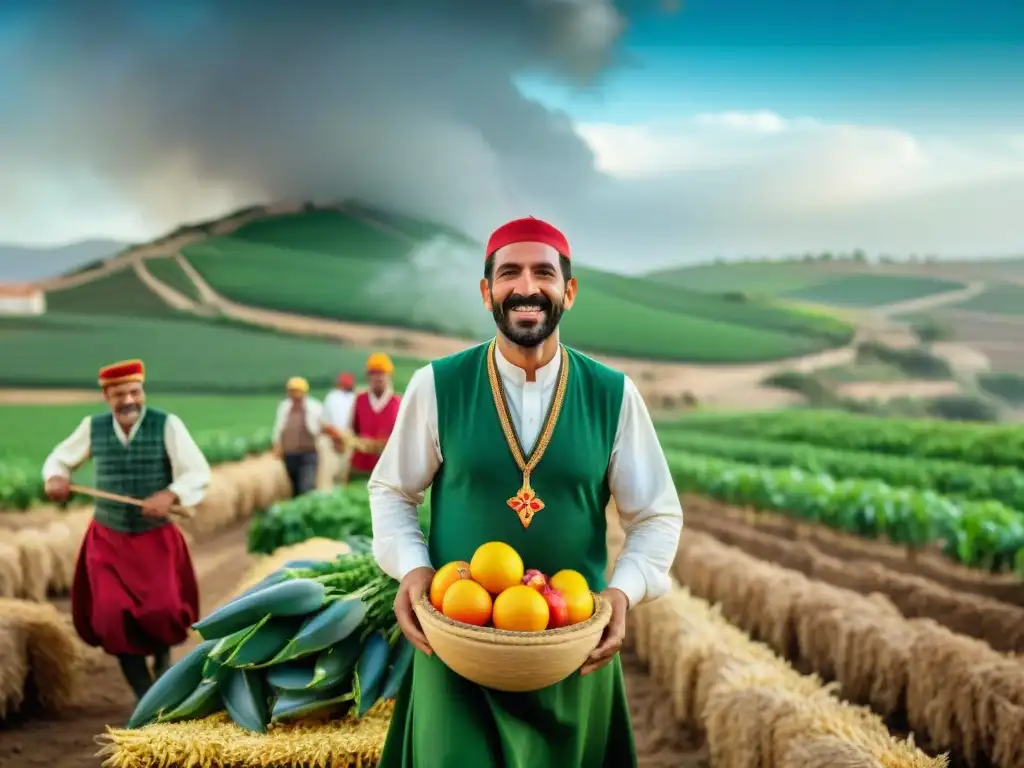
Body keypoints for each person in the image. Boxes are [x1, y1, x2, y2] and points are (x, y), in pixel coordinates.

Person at [369, 216, 684, 767]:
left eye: (544, 272)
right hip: (456, 644)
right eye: (509, 272)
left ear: (570, 290)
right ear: (487, 290)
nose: (527, 287)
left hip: (572, 649)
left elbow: (657, 515)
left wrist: (622, 594)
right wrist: (413, 570)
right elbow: (393, 490)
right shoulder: (438, 385)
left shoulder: (613, 394)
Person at [41, 359, 210, 702]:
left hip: (155, 539)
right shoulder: (93, 427)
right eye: (120, 394)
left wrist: (170, 493)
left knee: (161, 611)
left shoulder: (168, 424)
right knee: (110, 616)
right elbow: (59, 459)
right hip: (108, 538)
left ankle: (162, 662)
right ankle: (145, 697)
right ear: (106, 396)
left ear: (142, 391)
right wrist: (56, 477)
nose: (129, 400)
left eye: (135, 391)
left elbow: (196, 471)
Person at [347, 353, 401, 481]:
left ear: (389, 376)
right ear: (368, 376)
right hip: (360, 466)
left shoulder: (398, 402)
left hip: (388, 469)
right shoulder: (360, 400)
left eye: (382, 373)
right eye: (374, 373)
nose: (378, 377)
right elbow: (353, 429)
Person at [271, 376, 323, 497]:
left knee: (306, 486)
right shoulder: (284, 407)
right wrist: (276, 444)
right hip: (290, 453)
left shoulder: (314, 406)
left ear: (304, 392)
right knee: (294, 484)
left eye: (297, 391)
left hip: (309, 452)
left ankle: (307, 507)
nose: (294, 394)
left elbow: (322, 427)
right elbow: (278, 427)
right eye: (291, 391)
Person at [320, 372, 357, 488]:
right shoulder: (335, 397)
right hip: (338, 440)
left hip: (343, 440)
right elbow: (324, 424)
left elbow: (324, 423)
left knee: (334, 478)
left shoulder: (335, 396)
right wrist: (338, 437)